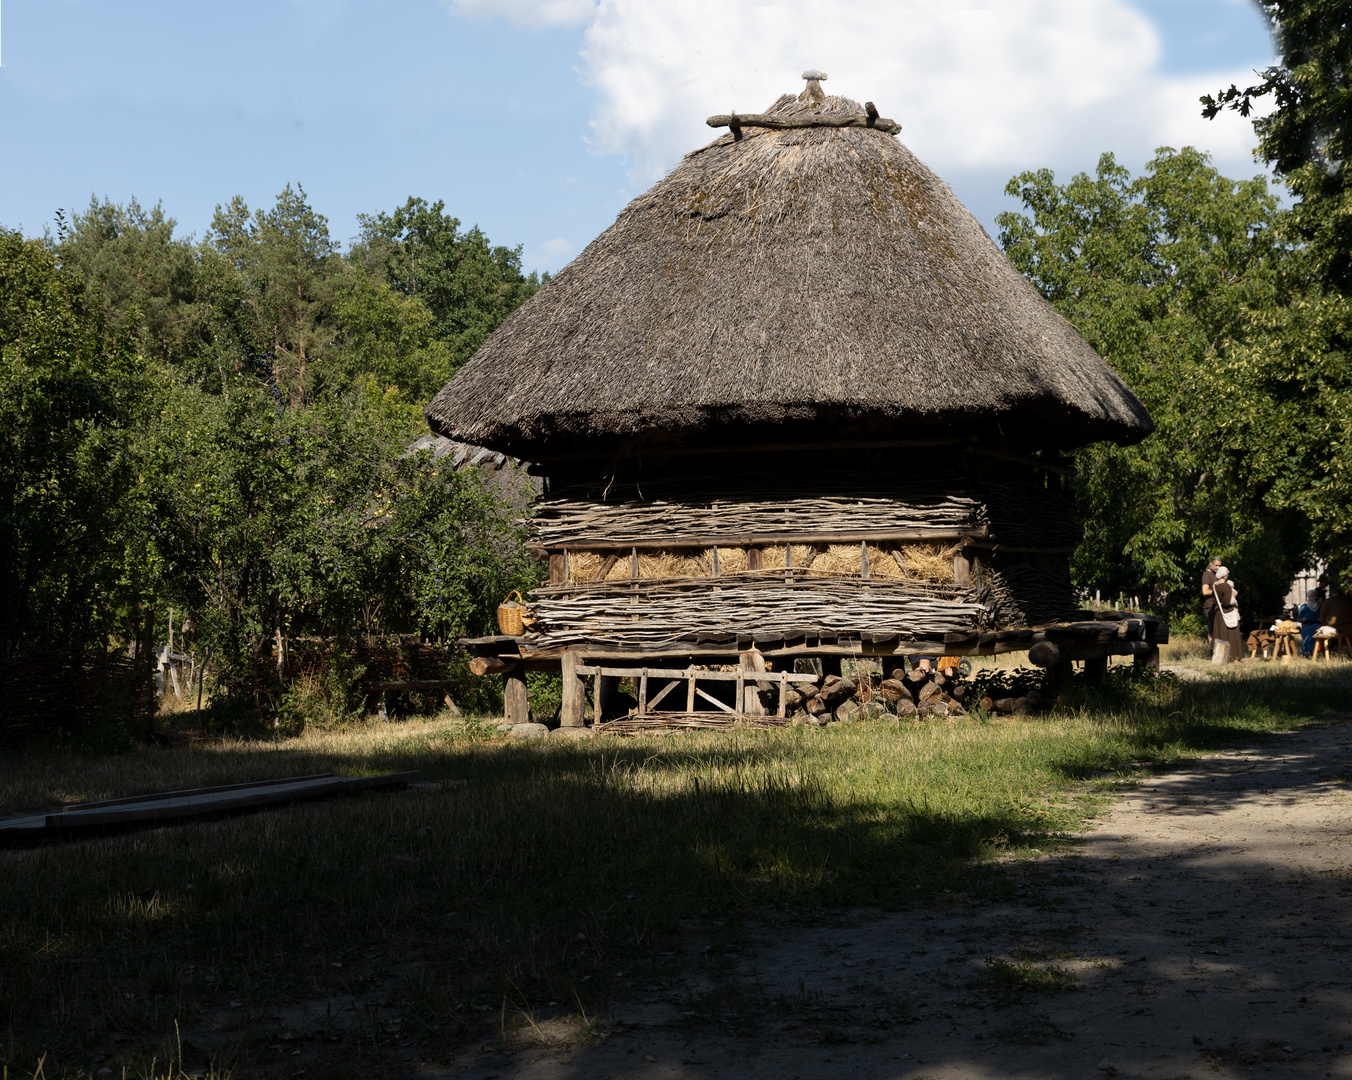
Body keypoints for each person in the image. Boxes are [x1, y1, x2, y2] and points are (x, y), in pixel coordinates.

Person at [1212, 566, 1243, 663]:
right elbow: (1226, 602)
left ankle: (1220, 657)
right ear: (1225, 575)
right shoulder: (1226, 586)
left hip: (1218, 613)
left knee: (1220, 634)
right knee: (1232, 635)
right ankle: (1233, 657)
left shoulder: (1215, 585)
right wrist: (1233, 597)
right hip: (1227, 612)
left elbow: (1216, 600)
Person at [1201, 555, 1222, 646]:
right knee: (1212, 630)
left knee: (1217, 630)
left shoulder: (1214, 575)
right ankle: (1212, 651)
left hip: (1216, 605)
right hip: (1210, 606)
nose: (1218, 568)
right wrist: (1217, 591)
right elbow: (1205, 592)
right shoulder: (1207, 575)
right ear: (1210, 564)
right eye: (1216, 565)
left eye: (1219, 566)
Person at [1298, 590, 1323, 657]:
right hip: (1307, 626)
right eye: (1312, 596)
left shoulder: (1320, 606)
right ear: (1309, 597)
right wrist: (1303, 619)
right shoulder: (1304, 607)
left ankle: (1315, 653)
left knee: (1316, 639)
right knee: (1307, 639)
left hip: (1316, 626)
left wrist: (1320, 619)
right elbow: (1299, 618)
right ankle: (1306, 654)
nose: (1314, 598)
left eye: (1315, 596)